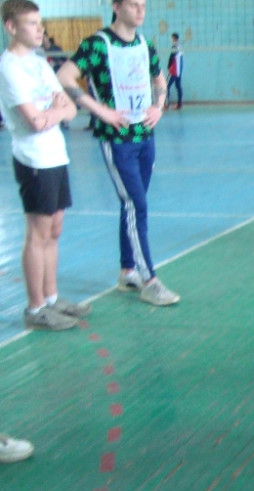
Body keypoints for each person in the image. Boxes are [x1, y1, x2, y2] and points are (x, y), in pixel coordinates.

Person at [56, 0, 180, 306]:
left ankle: (127, 271)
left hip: (145, 137)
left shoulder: (145, 44)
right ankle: (149, 281)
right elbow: (64, 77)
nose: (141, 11)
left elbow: (159, 79)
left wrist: (159, 105)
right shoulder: (97, 45)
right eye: (134, 5)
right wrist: (99, 111)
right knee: (136, 205)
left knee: (133, 205)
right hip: (117, 139)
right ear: (116, 6)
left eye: (143, 5)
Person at [1, 0, 89, 331]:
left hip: (56, 155)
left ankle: (52, 298)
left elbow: (71, 109)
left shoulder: (40, 63)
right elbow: (35, 122)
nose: (40, 30)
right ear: (11, 27)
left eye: (41, 23)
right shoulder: (9, 68)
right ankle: (35, 307)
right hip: (34, 160)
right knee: (37, 234)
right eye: (32, 24)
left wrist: (55, 112)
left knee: (54, 230)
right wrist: (56, 112)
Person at [165, 31, 182, 110]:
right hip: (179, 71)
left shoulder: (174, 47)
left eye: (171, 38)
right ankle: (179, 104)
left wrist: (168, 66)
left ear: (173, 38)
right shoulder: (180, 47)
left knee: (165, 86)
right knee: (178, 87)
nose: (171, 39)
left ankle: (166, 105)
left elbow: (171, 57)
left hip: (174, 71)